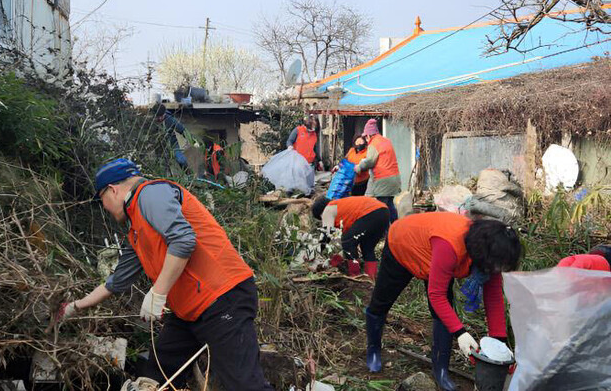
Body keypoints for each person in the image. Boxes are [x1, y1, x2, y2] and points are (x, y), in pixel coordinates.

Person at [56, 159, 273, 390]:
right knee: (156, 376)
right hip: (189, 312)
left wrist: (158, 293)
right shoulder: (136, 229)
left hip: (222, 297)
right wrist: (75, 307)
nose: (106, 208)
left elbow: (183, 239)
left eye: (102, 201)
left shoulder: (149, 195)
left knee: (244, 384)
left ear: (112, 190)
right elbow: (116, 282)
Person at [365, 212, 521, 391]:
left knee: (444, 313)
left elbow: (493, 298)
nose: (497, 271)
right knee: (381, 302)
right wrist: (461, 333)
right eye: (497, 268)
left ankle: (440, 371)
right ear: (484, 254)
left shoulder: (491, 257)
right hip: (403, 246)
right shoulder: (450, 245)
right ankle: (373, 349)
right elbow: (436, 294)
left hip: (433, 255)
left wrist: (499, 343)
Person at [312, 195, 389, 279]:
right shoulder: (341, 207)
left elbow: (325, 236)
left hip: (371, 212)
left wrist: (315, 253)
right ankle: (371, 278)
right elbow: (332, 234)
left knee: (347, 242)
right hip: (383, 212)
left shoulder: (328, 209)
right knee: (367, 248)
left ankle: (355, 275)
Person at [354, 119, 401, 222]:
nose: (366, 140)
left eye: (366, 137)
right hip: (394, 179)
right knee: (389, 205)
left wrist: (359, 166)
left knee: (381, 208)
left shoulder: (374, 143)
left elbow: (370, 161)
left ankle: (385, 232)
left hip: (383, 181)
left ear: (369, 135)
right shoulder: (386, 141)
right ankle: (396, 227)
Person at [154, 104, 188, 170]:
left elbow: (183, 130)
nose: (160, 118)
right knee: (161, 164)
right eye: (158, 117)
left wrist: (192, 140)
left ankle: (188, 172)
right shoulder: (151, 122)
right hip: (159, 145)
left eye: (162, 116)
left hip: (172, 143)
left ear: (164, 113)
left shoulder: (170, 120)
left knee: (181, 160)